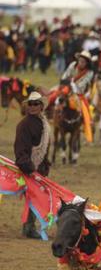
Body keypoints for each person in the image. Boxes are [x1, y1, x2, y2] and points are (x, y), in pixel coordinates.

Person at [13, 92, 51, 239]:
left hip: (40, 168)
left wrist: (45, 165)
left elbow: (45, 147)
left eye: (36, 103)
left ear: (41, 106)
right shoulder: (24, 125)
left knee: (37, 197)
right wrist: (30, 169)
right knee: (33, 197)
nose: (33, 106)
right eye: (30, 104)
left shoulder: (43, 123)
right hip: (29, 168)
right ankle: (28, 227)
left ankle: (29, 226)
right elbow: (20, 150)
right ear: (27, 106)